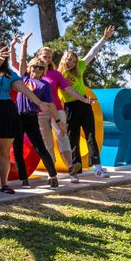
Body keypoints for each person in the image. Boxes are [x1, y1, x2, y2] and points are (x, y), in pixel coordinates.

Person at [0, 43, 55, 195]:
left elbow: (24, 89)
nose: (1, 54)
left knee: (4, 151)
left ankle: (4, 184)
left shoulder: (10, 73)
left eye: (5, 52)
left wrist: (39, 102)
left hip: (5, 110)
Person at [58, 25, 116, 179]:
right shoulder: (58, 75)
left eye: (74, 60)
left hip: (85, 105)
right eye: (69, 59)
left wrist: (104, 38)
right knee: (73, 137)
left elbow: (92, 52)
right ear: (64, 59)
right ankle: (75, 169)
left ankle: (97, 167)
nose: (71, 62)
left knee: (91, 135)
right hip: (70, 107)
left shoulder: (80, 68)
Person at [34, 43, 93, 182]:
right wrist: (22, 46)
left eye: (49, 56)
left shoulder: (56, 74)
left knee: (63, 135)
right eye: (44, 56)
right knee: (47, 141)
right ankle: (51, 173)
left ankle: (72, 170)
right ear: (38, 56)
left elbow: (69, 90)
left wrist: (83, 99)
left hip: (57, 110)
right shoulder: (33, 71)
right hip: (40, 111)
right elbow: (16, 64)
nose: (47, 58)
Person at [11, 54, 61, 188]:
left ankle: (53, 176)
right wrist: (24, 44)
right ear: (30, 68)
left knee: (40, 148)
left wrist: (58, 120)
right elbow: (21, 61)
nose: (37, 70)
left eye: (41, 68)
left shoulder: (44, 85)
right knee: (17, 149)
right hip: (18, 117)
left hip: (32, 117)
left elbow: (51, 104)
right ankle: (24, 179)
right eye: (35, 67)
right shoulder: (24, 78)